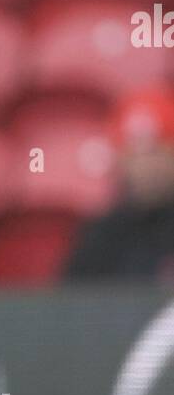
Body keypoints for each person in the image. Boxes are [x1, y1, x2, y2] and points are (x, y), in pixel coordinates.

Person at [65, 87, 174, 283]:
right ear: (120, 159)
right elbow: (70, 303)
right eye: (135, 154)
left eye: (156, 151)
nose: (146, 165)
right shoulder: (103, 233)